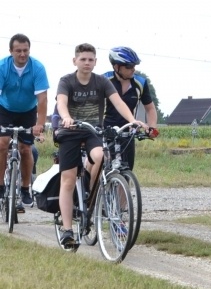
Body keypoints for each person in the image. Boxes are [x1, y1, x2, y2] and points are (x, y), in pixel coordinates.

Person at [55, 43, 147, 248]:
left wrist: (132, 120)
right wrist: (67, 117)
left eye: (90, 59)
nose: (87, 63)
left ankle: (89, 193)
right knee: (68, 180)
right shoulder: (66, 81)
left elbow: (118, 102)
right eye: (83, 59)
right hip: (70, 131)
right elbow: (61, 102)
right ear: (75, 61)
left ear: (95, 62)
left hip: (92, 131)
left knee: (100, 156)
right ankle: (67, 229)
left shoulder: (102, 82)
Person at [0, 33, 48, 213]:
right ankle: (0, 187)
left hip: (28, 110)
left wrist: (40, 124)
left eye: (25, 50)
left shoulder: (37, 68)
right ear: (11, 51)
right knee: (2, 144)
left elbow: (42, 100)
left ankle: (25, 187)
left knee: (26, 149)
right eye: (18, 51)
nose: (22, 54)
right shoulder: (2, 67)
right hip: (4, 109)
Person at [103, 47, 158, 169]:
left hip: (128, 131)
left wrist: (152, 127)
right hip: (105, 129)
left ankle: (124, 187)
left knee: (126, 171)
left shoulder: (140, 83)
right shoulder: (104, 80)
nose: (133, 69)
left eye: (134, 66)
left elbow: (150, 108)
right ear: (116, 67)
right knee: (103, 170)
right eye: (129, 66)